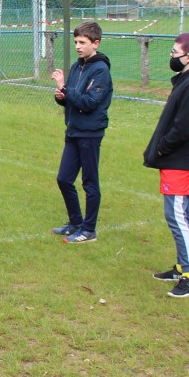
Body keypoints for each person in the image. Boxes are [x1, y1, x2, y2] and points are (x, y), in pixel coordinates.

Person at [143, 32, 189, 298]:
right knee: (177, 214)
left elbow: (185, 127)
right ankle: (182, 266)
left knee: (177, 216)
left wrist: (162, 146)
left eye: (174, 53)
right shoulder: (185, 81)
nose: (171, 57)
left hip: (180, 162)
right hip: (174, 160)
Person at [50, 21, 113, 245]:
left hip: (90, 133)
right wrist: (61, 97)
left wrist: (65, 88)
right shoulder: (78, 66)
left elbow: (88, 103)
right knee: (64, 179)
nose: (78, 46)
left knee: (89, 181)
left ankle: (89, 229)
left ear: (96, 43)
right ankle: (75, 222)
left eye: (82, 42)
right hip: (74, 131)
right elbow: (72, 100)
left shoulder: (100, 70)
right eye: (76, 41)